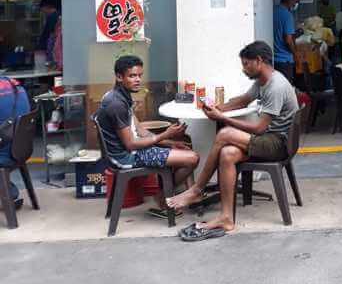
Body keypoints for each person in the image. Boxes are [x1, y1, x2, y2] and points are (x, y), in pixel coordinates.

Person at [166, 41, 299, 240]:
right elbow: (242, 101)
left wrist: (222, 119)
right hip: (268, 138)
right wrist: (218, 109)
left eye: (246, 64)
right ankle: (226, 218)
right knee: (227, 154)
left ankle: (197, 189)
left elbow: (259, 128)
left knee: (225, 133)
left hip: (278, 144)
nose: (243, 68)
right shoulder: (262, 81)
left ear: (259, 61)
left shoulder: (276, 86)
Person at [95, 56, 199, 213]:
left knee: (184, 146)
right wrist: (164, 135)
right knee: (192, 158)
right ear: (119, 77)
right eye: (132, 76)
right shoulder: (116, 104)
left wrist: (169, 142)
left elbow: (140, 130)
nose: (137, 80)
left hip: (132, 150)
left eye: (139, 75)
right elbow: (130, 144)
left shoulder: (120, 95)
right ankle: (163, 195)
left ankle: (183, 196)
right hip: (128, 156)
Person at [0, 77, 31, 210]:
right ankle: (9, 192)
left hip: (5, 154)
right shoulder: (18, 87)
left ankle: (9, 193)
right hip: (22, 150)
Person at [273, 0, 300, 84]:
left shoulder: (272, 10)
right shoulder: (287, 15)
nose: (295, 4)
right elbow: (288, 40)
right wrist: (295, 54)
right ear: (290, 0)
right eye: (295, 2)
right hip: (284, 60)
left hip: (272, 59)